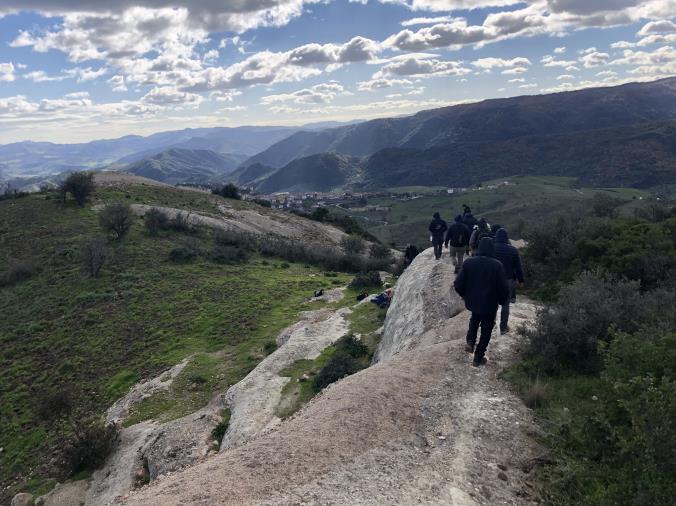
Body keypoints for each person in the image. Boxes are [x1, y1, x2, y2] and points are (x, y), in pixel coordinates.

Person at [453, 237, 509, 367]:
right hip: (490, 303)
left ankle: (470, 342)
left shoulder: (469, 263)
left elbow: (458, 284)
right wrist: (502, 300)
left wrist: (465, 295)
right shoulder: (497, 265)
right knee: (486, 330)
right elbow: (503, 287)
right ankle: (478, 358)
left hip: (473, 301)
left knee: (474, 319)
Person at [493, 228, 525, 334]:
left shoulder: (492, 248)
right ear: (506, 238)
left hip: (493, 279)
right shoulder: (513, 250)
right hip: (508, 280)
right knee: (505, 304)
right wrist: (521, 280)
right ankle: (503, 328)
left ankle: (490, 323)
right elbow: (518, 267)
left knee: (493, 302)